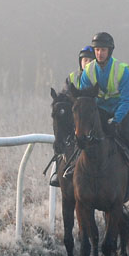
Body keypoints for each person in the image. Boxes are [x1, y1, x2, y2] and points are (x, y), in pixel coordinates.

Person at [77, 31, 129, 183]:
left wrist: (116, 120)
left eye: (103, 50)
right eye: (97, 50)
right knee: (85, 134)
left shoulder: (122, 70)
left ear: (109, 51)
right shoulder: (87, 72)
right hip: (100, 110)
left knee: (125, 134)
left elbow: (126, 99)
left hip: (121, 109)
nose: (99, 53)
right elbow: (85, 99)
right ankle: (73, 167)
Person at [49, 45, 97, 187]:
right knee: (61, 128)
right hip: (75, 117)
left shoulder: (99, 76)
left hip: (92, 117)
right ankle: (59, 166)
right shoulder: (72, 77)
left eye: (90, 60)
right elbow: (65, 95)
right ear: (80, 61)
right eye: (85, 60)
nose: (87, 63)